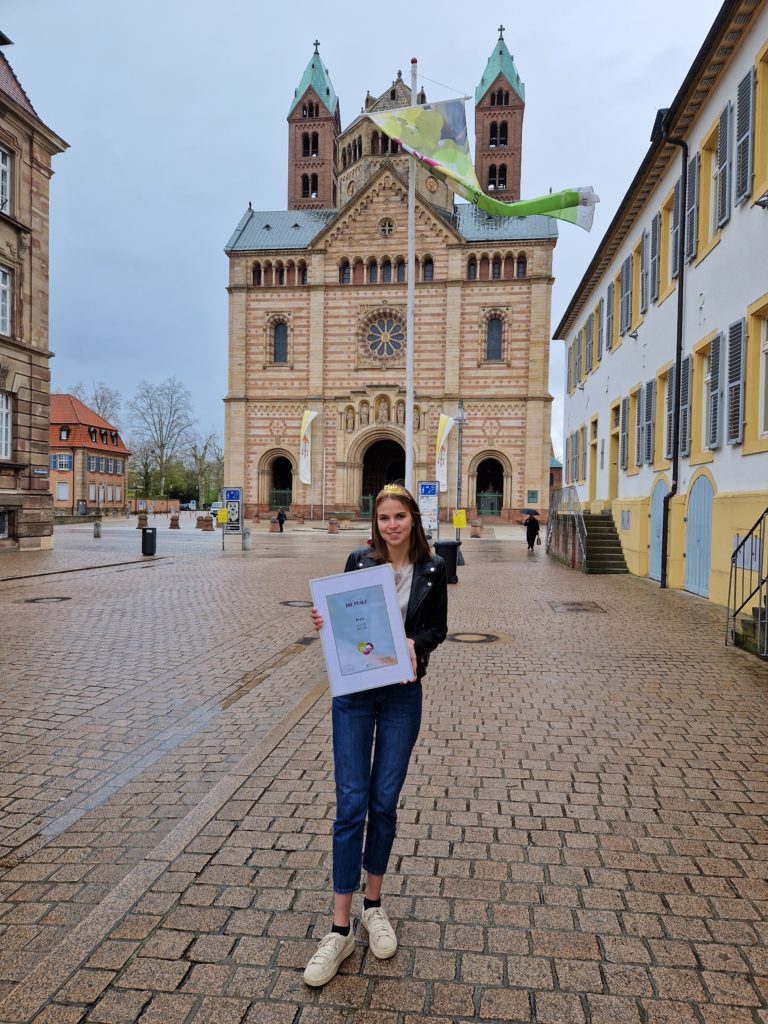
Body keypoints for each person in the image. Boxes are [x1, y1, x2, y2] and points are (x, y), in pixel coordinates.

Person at [303, 484, 448, 987]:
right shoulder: (359, 562)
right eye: (384, 517)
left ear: (414, 519)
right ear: (376, 522)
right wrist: (324, 619)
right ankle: (339, 929)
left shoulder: (433, 569)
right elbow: (344, 622)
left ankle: (373, 905)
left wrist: (414, 642)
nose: (391, 524)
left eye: (399, 516)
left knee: (384, 803)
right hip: (357, 694)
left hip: (403, 694)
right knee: (351, 806)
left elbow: (438, 629)